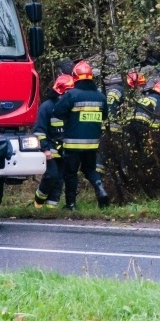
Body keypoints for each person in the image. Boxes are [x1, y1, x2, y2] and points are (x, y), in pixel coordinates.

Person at [52, 60, 110, 209]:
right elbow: (104, 117)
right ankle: (100, 189)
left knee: (71, 173)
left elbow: (57, 112)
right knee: (90, 169)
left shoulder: (71, 95)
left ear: (75, 77)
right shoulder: (100, 96)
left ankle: (71, 204)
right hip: (92, 143)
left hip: (73, 143)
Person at [33, 74, 75, 208]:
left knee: (59, 180)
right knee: (51, 175)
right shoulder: (47, 107)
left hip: (64, 150)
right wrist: (45, 149)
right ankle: (38, 202)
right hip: (50, 149)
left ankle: (51, 207)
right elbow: (39, 130)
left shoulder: (70, 107)